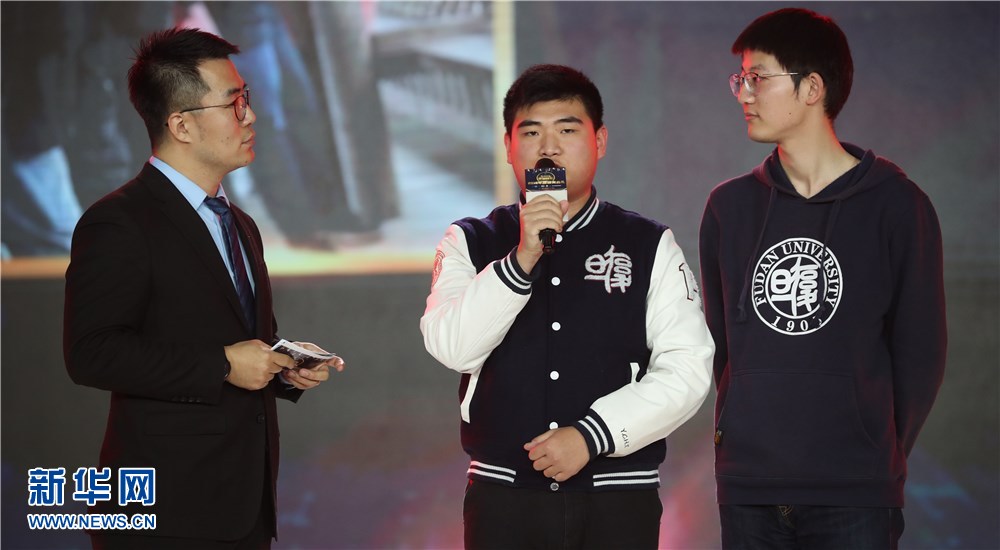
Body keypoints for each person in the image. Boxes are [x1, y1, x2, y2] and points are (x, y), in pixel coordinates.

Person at [63, 27, 344, 548]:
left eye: (247, 98)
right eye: (234, 103)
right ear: (181, 125)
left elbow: (241, 341)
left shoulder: (239, 223)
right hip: (166, 510)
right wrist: (222, 364)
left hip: (245, 503)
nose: (250, 116)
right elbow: (91, 353)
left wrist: (284, 366)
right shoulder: (120, 221)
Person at [420, 64, 714, 549]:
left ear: (600, 141)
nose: (549, 147)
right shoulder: (469, 240)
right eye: (531, 132)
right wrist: (521, 259)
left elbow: (688, 367)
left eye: (567, 130)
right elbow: (453, 346)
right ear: (508, 146)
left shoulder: (647, 243)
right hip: (504, 498)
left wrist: (592, 435)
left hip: (617, 497)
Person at [699, 8, 947, 549]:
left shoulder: (897, 206)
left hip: (856, 490)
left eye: (758, 78)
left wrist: (873, 448)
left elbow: (921, 354)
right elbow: (723, 347)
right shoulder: (729, 208)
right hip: (749, 485)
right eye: (740, 79)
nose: (743, 94)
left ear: (812, 88)